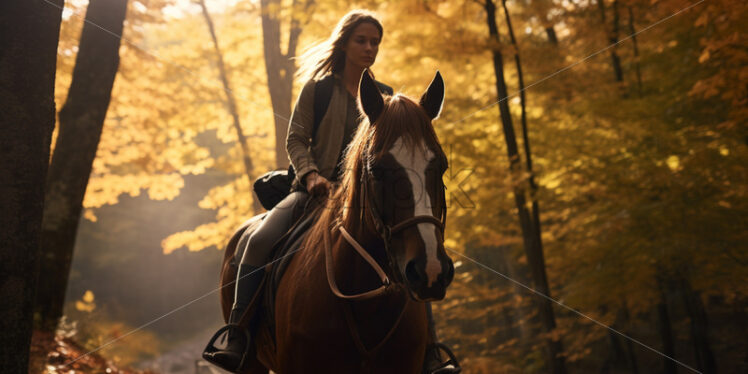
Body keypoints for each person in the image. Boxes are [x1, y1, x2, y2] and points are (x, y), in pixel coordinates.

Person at [203, 10, 459, 374]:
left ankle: (429, 350)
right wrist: (310, 176)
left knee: (411, 250)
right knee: (258, 240)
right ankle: (238, 335)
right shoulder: (317, 89)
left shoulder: (383, 97)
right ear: (344, 43)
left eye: (375, 42)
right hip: (312, 192)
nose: (369, 48)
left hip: (367, 197)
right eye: (362, 40)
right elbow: (296, 138)